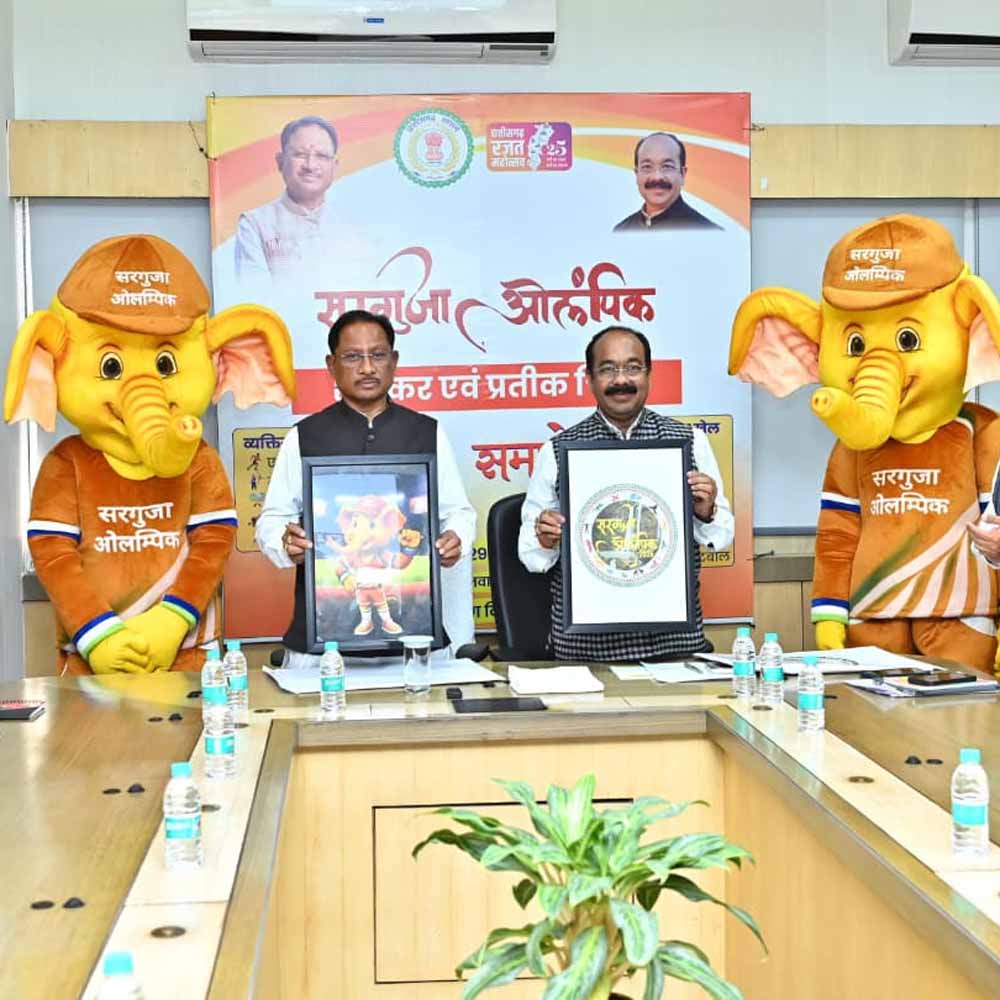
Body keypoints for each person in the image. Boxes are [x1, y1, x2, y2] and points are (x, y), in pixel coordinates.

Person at [256, 309, 476, 666]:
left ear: (394, 361)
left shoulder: (427, 432)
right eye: (353, 357)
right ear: (331, 365)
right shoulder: (305, 436)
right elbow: (272, 519)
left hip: (415, 641)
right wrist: (285, 541)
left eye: (378, 355)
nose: (368, 368)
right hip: (323, 646)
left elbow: (458, 513)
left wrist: (456, 537)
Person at [518, 325, 734, 661]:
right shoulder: (558, 451)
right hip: (586, 652)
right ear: (589, 379)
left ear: (649, 375)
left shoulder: (689, 442)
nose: (621, 380)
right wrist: (546, 538)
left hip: (673, 647)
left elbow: (721, 538)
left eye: (633, 368)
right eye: (608, 369)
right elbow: (531, 557)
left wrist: (706, 512)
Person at [235, 115, 342, 280]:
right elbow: (252, 291)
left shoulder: (352, 227)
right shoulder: (255, 224)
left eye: (321, 156)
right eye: (300, 154)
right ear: (280, 161)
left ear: (335, 165)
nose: (310, 165)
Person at [613, 132, 721, 232]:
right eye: (647, 167)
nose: (657, 177)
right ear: (637, 174)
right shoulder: (621, 231)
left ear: (682, 174)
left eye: (667, 167)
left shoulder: (708, 232)